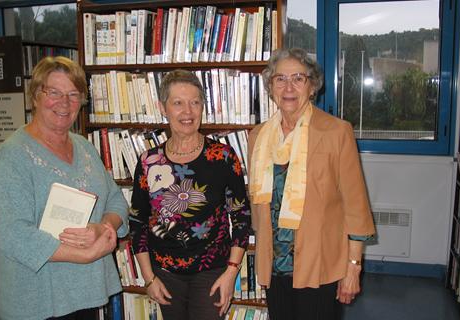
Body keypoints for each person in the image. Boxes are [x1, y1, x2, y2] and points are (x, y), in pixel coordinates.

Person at [0, 56, 129, 320]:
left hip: (86, 293)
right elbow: (15, 235)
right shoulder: (10, 158)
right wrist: (85, 255)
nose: (64, 103)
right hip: (38, 301)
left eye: (73, 94)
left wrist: (103, 227)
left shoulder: (84, 147)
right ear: (35, 96)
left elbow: (116, 200)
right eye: (54, 92)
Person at [248, 48, 375, 320]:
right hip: (274, 264)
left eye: (298, 78)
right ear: (270, 86)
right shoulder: (258, 137)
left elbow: (356, 206)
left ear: (312, 85)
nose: (289, 87)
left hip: (320, 264)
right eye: (280, 79)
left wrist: (353, 267)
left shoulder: (336, 131)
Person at [129, 69, 251, 320]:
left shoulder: (223, 157)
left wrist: (231, 272)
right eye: (178, 103)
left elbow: (241, 218)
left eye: (195, 102)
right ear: (163, 108)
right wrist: (148, 277)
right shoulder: (148, 161)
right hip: (164, 273)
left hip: (213, 272)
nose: (188, 111)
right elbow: (138, 222)